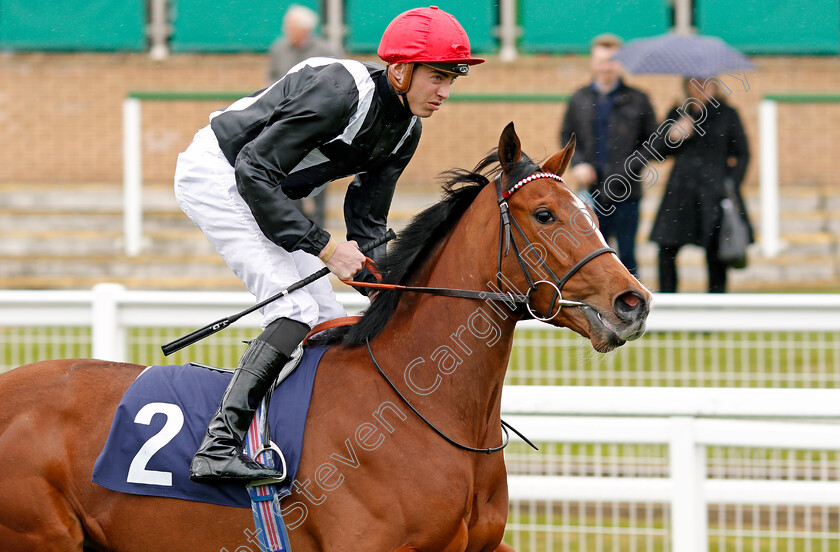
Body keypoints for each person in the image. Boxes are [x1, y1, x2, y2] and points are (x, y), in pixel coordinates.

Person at [174, 6, 484, 484]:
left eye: (452, 79)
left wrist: (399, 289)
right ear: (401, 69)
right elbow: (252, 171)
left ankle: (293, 436)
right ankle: (218, 445)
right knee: (294, 310)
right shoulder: (338, 90)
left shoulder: (405, 131)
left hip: (262, 189)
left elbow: (368, 226)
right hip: (220, 175)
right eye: (437, 77)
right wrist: (324, 247)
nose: (444, 92)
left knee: (323, 318)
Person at [560, 33, 658, 276]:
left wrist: (630, 166)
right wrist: (579, 163)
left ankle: (632, 310)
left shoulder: (638, 99)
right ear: (593, 63)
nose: (606, 66)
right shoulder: (579, 98)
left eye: (612, 60)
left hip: (627, 192)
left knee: (627, 256)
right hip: (590, 193)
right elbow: (566, 137)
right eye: (602, 60)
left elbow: (652, 143)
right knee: (591, 256)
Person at [649, 78, 751, 293]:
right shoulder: (678, 113)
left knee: (716, 254)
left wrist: (730, 183)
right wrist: (673, 135)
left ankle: (714, 312)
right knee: (666, 249)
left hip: (714, 195)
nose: (702, 87)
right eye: (696, 82)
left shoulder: (727, 114)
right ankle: (669, 302)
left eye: (707, 81)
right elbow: (657, 152)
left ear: (715, 84)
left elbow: (743, 154)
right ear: (687, 84)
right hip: (679, 194)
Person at [267, 5, 342, 228]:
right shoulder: (278, 49)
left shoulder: (326, 50)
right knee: (286, 169)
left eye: (289, 25)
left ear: (303, 29)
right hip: (286, 122)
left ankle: (318, 221)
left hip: (318, 123)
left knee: (319, 169)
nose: (285, 29)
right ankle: (298, 220)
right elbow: (271, 79)